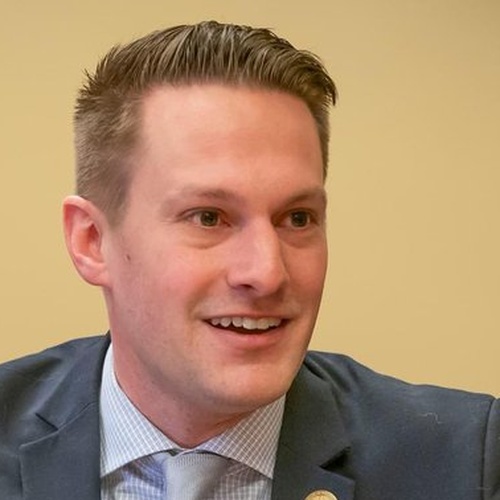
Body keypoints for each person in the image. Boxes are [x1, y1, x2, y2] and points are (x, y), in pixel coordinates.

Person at [0, 20, 498, 500]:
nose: (267, 273)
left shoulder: (462, 463)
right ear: (91, 241)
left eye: (297, 218)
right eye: (209, 218)